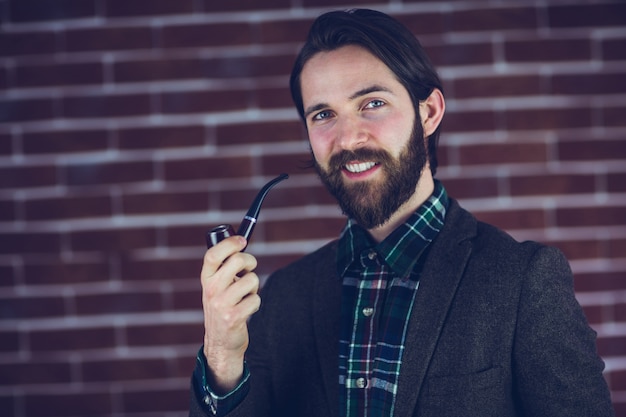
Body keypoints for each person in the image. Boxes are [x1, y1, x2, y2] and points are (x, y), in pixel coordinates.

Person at [189, 9, 614, 417]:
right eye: (323, 114)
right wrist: (222, 356)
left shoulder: (524, 281)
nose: (348, 139)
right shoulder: (280, 298)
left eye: (372, 103)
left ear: (428, 112)